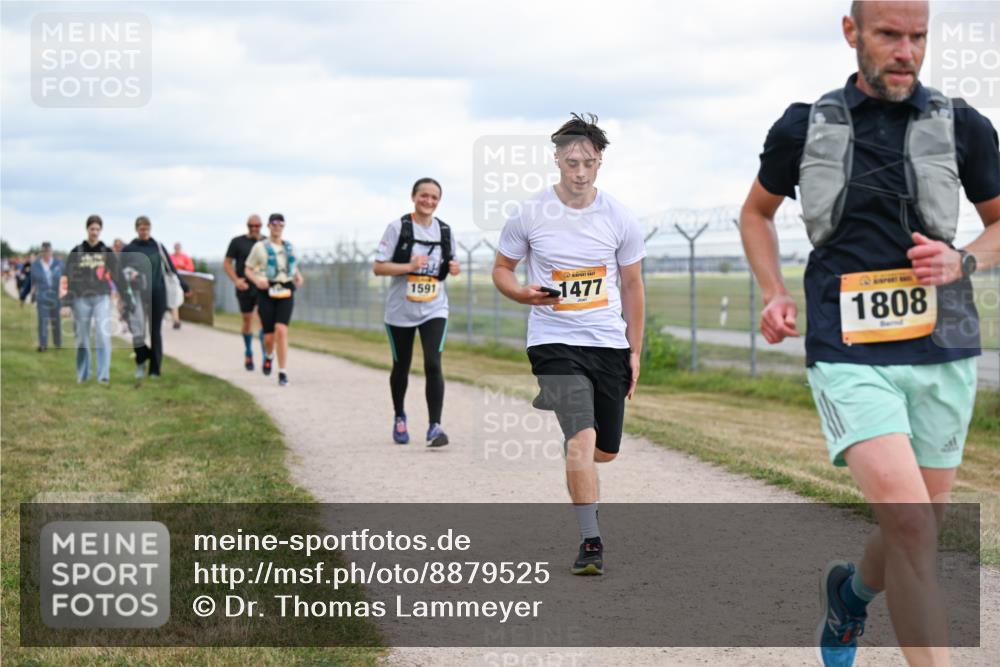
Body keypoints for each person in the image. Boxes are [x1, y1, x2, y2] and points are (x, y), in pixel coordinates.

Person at [738, 2, 1000, 665]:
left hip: (944, 344)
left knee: (920, 524)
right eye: (889, 34)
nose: (906, 51)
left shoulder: (964, 125)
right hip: (848, 348)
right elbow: (756, 213)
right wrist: (773, 291)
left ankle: (850, 595)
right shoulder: (804, 125)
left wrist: (963, 259)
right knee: (911, 524)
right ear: (852, 33)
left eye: (918, 36)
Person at [492, 114, 646, 576]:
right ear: (557, 160)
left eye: (588, 163)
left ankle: (579, 451)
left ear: (600, 162)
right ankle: (590, 541)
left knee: (604, 450)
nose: (580, 172)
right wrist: (521, 293)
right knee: (582, 438)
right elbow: (502, 269)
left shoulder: (619, 216)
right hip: (553, 340)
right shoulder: (530, 213)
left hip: (607, 343)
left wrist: (635, 351)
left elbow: (633, 286)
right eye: (571, 162)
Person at [373, 178, 461, 447]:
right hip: (400, 310)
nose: (429, 201)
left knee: (433, 363)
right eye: (424, 195)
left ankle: (435, 426)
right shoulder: (398, 227)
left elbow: (450, 263)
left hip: (435, 307)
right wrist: (408, 267)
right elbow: (378, 267)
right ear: (413, 197)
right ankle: (400, 415)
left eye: (434, 197)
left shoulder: (444, 230)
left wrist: (454, 268)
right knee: (402, 365)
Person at [122, 216, 190, 380]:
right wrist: (130, 275)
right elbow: (121, 271)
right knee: (137, 331)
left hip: (157, 292)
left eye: (147, 229)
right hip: (137, 294)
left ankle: (155, 369)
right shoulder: (129, 248)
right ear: (136, 229)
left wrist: (184, 285)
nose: (144, 232)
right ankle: (141, 359)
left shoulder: (158, 246)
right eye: (141, 229)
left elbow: (171, 268)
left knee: (155, 331)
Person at [244, 213, 304, 386]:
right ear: (269, 226)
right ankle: (269, 355)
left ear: (283, 226)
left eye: (280, 224)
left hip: (286, 290)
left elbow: (292, 266)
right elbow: (248, 269)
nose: (277, 227)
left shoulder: (289, 247)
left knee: (281, 330)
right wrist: (257, 281)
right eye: (274, 224)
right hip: (267, 291)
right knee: (269, 337)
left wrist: (298, 276)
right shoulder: (259, 247)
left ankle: (282, 372)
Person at [64, 215, 125, 384]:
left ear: (101, 230)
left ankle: (103, 375)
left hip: (101, 297)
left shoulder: (106, 252)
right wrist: (66, 303)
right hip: (80, 299)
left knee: (103, 335)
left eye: (98, 229)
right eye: (92, 229)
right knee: (82, 338)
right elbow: (67, 277)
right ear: (87, 229)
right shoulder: (77, 252)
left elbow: (118, 275)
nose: (95, 232)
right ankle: (83, 374)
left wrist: (125, 297)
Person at [224, 214, 266, 370]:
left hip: (262, 286)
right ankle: (248, 352)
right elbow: (227, 263)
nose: (254, 228)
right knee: (247, 320)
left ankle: (266, 356)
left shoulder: (267, 242)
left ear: (261, 226)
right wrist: (236, 280)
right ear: (247, 226)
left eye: (257, 226)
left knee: (263, 319)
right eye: (251, 226)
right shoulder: (237, 242)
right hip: (245, 286)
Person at [20, 242, 65, 351]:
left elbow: (65, 280)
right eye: (44, 251)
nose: (46, 253)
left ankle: (57, 343)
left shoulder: (59, 264)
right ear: (41, 252)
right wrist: (22, 297)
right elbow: (29, 282)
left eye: (48, 251)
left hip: (56, 297)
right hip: (42, 297)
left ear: (51, 251)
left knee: (56, 321)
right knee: (42, 320)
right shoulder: (35, 265)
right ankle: (43, 345)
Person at [168, 243, 195, 330]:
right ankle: (176, 320)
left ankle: (177, 319)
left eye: (178, 248)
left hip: (183, 281)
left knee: (179, 301)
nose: (177, 249)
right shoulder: (170, 257)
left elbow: (191, 268)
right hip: (173, 282)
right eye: (176, 248)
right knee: (174, 299)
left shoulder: (185, 257)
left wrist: (182, 266)